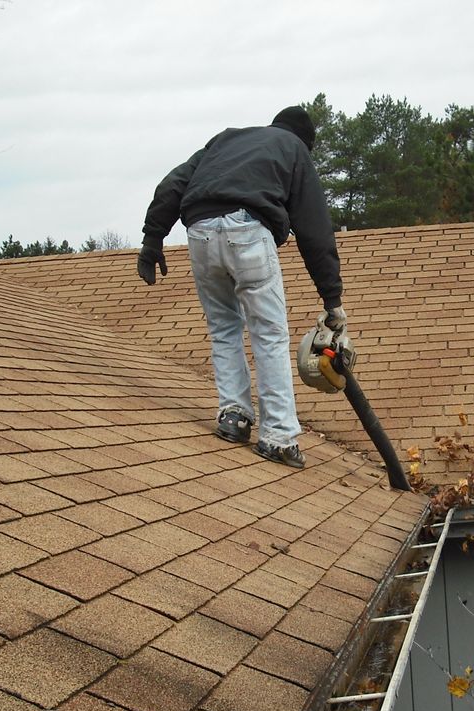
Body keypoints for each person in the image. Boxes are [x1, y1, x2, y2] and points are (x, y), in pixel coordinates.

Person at [137, 106, 345, 469]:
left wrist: (153, 239)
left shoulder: (227, 139)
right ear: (305, 141)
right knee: (269, 334)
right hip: (247, 229)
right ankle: (278, 437)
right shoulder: (294, 149)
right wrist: (332, 298)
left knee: (223, 328)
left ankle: (233, 417)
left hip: (199, 233)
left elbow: (174, 182)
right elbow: (315, 228)